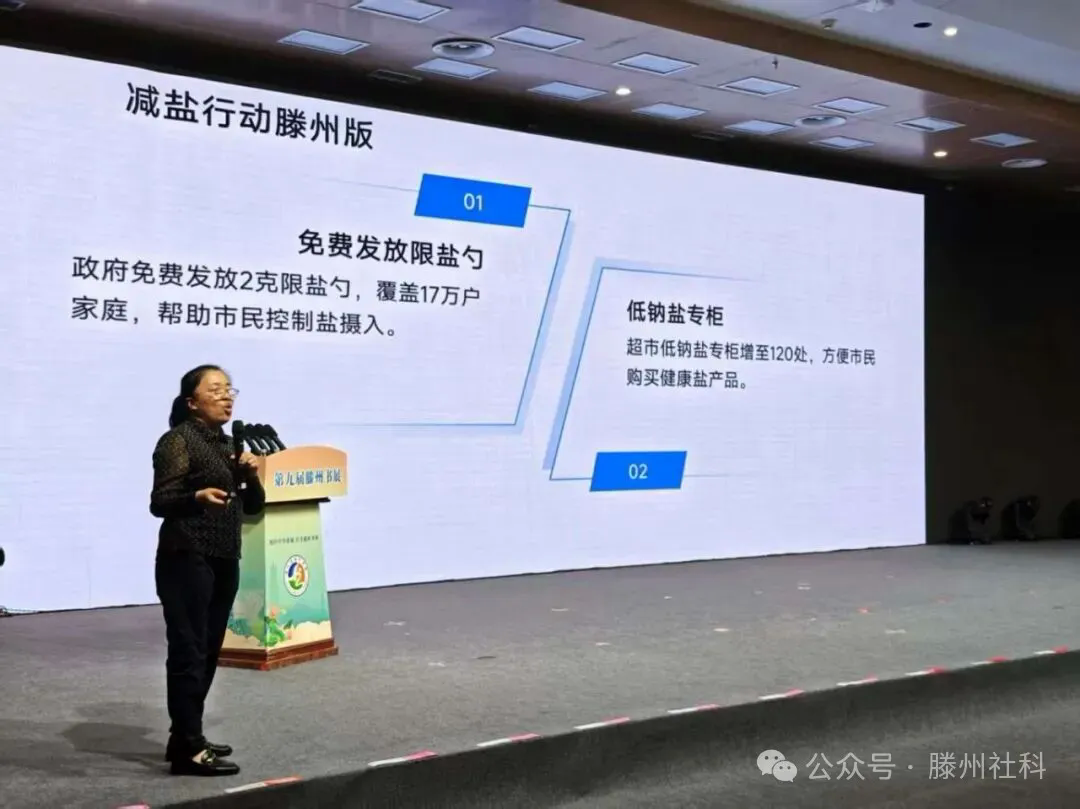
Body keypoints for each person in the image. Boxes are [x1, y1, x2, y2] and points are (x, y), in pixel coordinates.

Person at [150, 365, 265, 776]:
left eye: (229, 389)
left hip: (224, 557)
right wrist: (196, 496)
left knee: (209, 650)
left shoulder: (230, 445)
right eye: (215, 390)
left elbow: (253, 508)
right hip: (186, 556)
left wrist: (250, 477)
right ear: (192, 402)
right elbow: (160, 502)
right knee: (189, 650)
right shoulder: (177, 441)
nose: (226, 396)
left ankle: (186, 736)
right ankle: (189, 749)